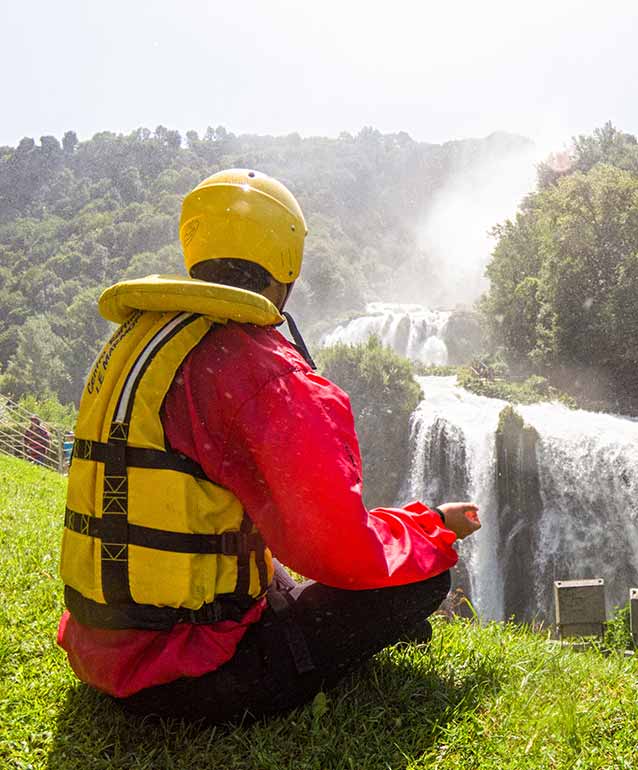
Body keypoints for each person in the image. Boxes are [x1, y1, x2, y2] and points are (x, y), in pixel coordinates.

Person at [57, 168, 481, 723]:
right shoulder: (260, 371)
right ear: (287, 267)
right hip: (191, 678)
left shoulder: (137, 345)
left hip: (99, 652)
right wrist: (431, 528)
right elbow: (339, 549)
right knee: (422, 579)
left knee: (277, 574)